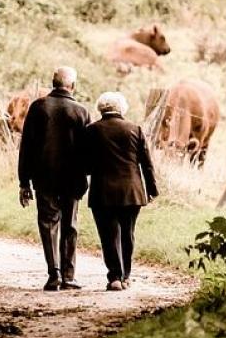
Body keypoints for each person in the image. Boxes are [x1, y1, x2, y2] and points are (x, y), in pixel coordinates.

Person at [18, 66, 90, 291]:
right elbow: (87, 151)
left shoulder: (38, 107)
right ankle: (69, 276)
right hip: (73, 178)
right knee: (70, 225)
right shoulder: (81, 111)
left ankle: (54, 274)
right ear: (73, 86)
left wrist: (24, 182)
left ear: (52, 82)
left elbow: (26, 147)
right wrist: (86, 175)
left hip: (44, 177)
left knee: (48, 224)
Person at [85, 92, 158, 291]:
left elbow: (85, 164)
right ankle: (126, 276)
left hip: (102, 191)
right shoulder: (135, 129)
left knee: (108, 235)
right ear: (121, 108)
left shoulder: (91, 131)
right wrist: (151, 189)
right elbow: (147, 164)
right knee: (128, 233)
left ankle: (114, 277)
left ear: (101, 108)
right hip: (132, 191)